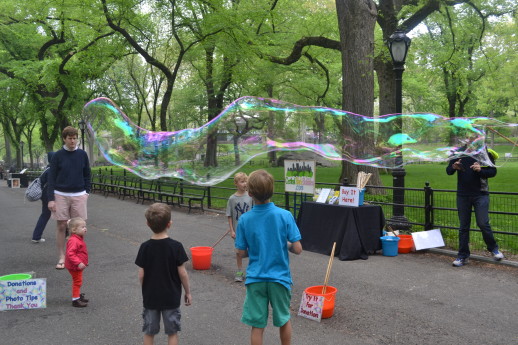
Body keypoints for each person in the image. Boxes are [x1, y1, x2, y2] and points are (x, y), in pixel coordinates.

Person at [235, 169, 302, 345]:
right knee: (284, 319)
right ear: (272, 190)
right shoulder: (285, 215)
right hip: (279, 279)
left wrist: (255, 250)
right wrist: (284, 245)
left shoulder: (244, 219)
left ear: (250, 193)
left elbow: (241, 253)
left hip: (256, 278)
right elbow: (298, 248)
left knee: (257, 325)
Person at [135, 203, 192, 345]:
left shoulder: (145, 247)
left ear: (147, 224)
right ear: (169, 224)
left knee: (149, 332)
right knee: (172, 333)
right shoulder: (176, 246)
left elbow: (141, 275)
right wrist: (188, 292)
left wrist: (145, 289)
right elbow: (182, 273)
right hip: (171, 297)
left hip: (151, 297)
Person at [446, 148, 504, 267]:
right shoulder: (458, 153)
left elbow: (492, 172)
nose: (470, 137)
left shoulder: (485, 153)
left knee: (483, 223)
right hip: (462, 195)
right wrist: (453, 167)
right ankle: (463, 256)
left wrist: (480, 170)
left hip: (481, 194)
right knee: (463, 226)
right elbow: (448, 171)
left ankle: (494, 249)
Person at [47, 126, 91, 270]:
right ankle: (62, 256)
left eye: (74, 138)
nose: (73, 141)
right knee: (61, 225)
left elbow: (87, 175)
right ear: (64, 139)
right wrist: (51, 199)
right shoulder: (57, 156)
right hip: (61, 194)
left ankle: (78, 255)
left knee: (79, 227)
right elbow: (51, 178)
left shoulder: (82, 154)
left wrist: (87, 192)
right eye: (70, 138)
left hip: (79, 194)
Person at [226, 172, 253, 282]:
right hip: (238, 231)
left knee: (253, 250)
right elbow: (229, 215)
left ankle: (251, 271)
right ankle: (239, 271)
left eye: (246, 181)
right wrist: (232, 230)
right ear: (236, 183)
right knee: (239, 252)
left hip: (250, 230)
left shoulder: (251, 197)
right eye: (242, 182)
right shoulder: (232, 199)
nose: (244, 184)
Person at [64, 217, 89, 308]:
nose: (85, 228)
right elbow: (70, 254)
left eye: (85, 226)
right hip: (74, 266)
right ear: (74, 229)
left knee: (78, 281)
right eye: (82, 227)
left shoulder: (78, 238)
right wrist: (78, 263)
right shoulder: (74, 240)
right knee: (77, 281)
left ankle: (78, 296)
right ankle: (75, 299)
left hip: (76, 265)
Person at [31, 152, 55, 243]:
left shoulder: (47, 168)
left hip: (44, 194)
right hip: (48, 195)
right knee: (48, 214)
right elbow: (50, 185)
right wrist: (51, 199)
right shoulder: (51, 170)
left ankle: (36, 236)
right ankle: (36, 236)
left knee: (45, 215)